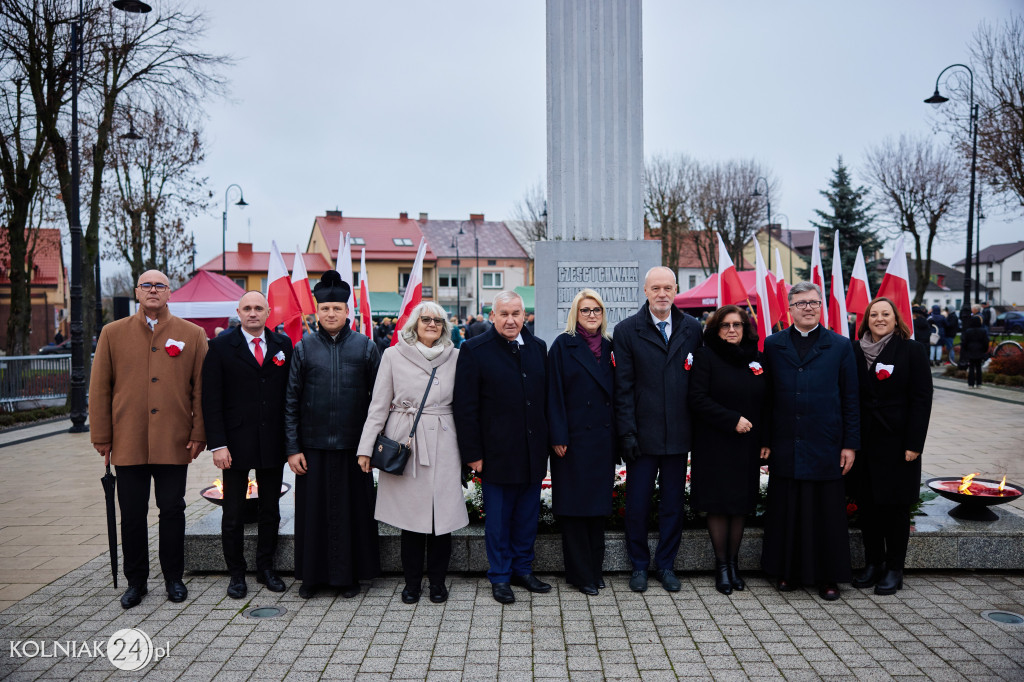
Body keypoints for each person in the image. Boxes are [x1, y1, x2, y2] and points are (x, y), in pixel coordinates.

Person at [89, 270, 207, 609]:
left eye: (160, 286)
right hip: (128, 439)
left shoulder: (193, 334)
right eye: (146, 285)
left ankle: (174, 578)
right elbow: (100, 388)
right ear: (137, 292)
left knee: (172, 510)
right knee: (132, 514)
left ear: (169, 293)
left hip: (174, 439)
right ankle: (136, 581)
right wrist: (102, 435)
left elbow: (201, 390)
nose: (153, 290)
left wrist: (199, 432)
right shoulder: (113, 333)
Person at [356, 302, 468, 604]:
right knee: (411, 521)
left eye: (438, 320)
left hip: (445, 442)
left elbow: (467, 405)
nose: (432, 324)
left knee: (442, 520)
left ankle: (438, 584)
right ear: (415, 324)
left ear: (444, 327)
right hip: (406, 441)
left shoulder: (457, 356)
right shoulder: (393, 355)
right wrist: (366, 448)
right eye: (425, 319)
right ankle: (412, 584)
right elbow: (379, 405)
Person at [284, 271, 381, 599]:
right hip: (312, 448)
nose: (330, 314)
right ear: (318, 311)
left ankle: (347, 577)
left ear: (347, 311)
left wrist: (371, 446)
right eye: (325, 309)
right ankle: (311, 578)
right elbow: (291, 400)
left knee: (352, 515)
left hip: (355, 449)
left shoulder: (366, 347)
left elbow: (380, 400)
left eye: (336, 309)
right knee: (313, 516)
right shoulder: (304, 348)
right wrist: (293, 447)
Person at [761, 281, 860, 601]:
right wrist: (765, 439)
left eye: (813, 303)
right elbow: (766, 396)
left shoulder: (840, 345)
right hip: (787, 441)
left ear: (821, 307)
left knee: (825, 513)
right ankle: (787, 572)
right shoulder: (773, 344)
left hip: (825, 443)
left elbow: (851, 398)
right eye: (801, 303)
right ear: (789, 309)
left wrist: (850, 444)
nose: (808, 308)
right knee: (787, 510)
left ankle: (828, 577)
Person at [454, 291, 550, 604]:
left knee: (526, 517)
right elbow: (465, 407)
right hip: (495, 454)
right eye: (504, 314)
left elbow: (543, 399)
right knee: (498, 521)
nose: (511, 320)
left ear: (525, 316)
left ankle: (523, 569)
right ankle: (500, 576)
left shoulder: (538, 347)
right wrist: (472, 454)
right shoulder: (474, 349)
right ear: (492, 316)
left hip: (532, 451)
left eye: (516, 313)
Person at [613, 266, 702, 593]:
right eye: (656, 288)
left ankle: (666, 565)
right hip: (642, 436)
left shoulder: (693, 328)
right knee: (637, 505)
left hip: (679, 434)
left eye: (668, 288)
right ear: (646, 291)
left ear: (676, 290)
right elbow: (622, 387)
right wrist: (627, 432)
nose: (662, 294)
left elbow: (699, 381)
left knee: (673, 505)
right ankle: (639, 565)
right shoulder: (627, 330)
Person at [202, 291, 292, 599]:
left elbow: (289, 394)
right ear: (238, 312)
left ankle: (266, 568)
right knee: (233, 512)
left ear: (268, 312)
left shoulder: (283, 345)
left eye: (258, 308)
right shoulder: (220, 346)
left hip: (272, 442)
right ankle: (236, 574)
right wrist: (218, 445)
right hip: (234, 444)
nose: (253, 313)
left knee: (270, 510)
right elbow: (211, 399)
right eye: (247, 308)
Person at [849, 297, 933, 595]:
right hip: (864, 442)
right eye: (874, 314)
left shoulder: (912, 350)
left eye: (886, 314)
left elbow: (922, 399)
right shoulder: (854, 350)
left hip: (898, 443)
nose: (880, 319)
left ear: (896, 319)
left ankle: (895, 569)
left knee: (895, 508)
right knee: (868, 507)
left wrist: (914, 443)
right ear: (866, 320)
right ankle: (873, 564)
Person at [688, 305, 766, 595]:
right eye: (725, 325)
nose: (732, 330)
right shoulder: (705, 356)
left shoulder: (757, 359)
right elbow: (697, 398)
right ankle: (721, 566)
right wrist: (732, 420)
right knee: (718, 504)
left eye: (737, 324)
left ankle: (734, 565)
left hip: (747, 444)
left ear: (746, 328)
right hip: (715, 443)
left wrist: (765, 439)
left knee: (740, 504)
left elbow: (768, 401)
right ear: (716, 329)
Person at [547, 289, 615, 596]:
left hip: (602, 439)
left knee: (597, 509)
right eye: (585, 310)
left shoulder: (612, 346)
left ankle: (595, 570)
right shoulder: (563, 345)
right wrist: (558, 435)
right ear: (576, 313)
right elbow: (553, 394)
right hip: (572, 441)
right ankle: (579, 574)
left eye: (596, 310)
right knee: (575, 510)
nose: (591, 315)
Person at [962, 316, 990, 388]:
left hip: (970, 350)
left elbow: (964, 342)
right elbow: (986, 342)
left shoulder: (968, 331)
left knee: (971, 367)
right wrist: (984, 350)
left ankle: (970, 384)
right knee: (978, 368)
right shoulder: (983, 331)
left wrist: (966, 349)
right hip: (980, 350)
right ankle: (979, 383)